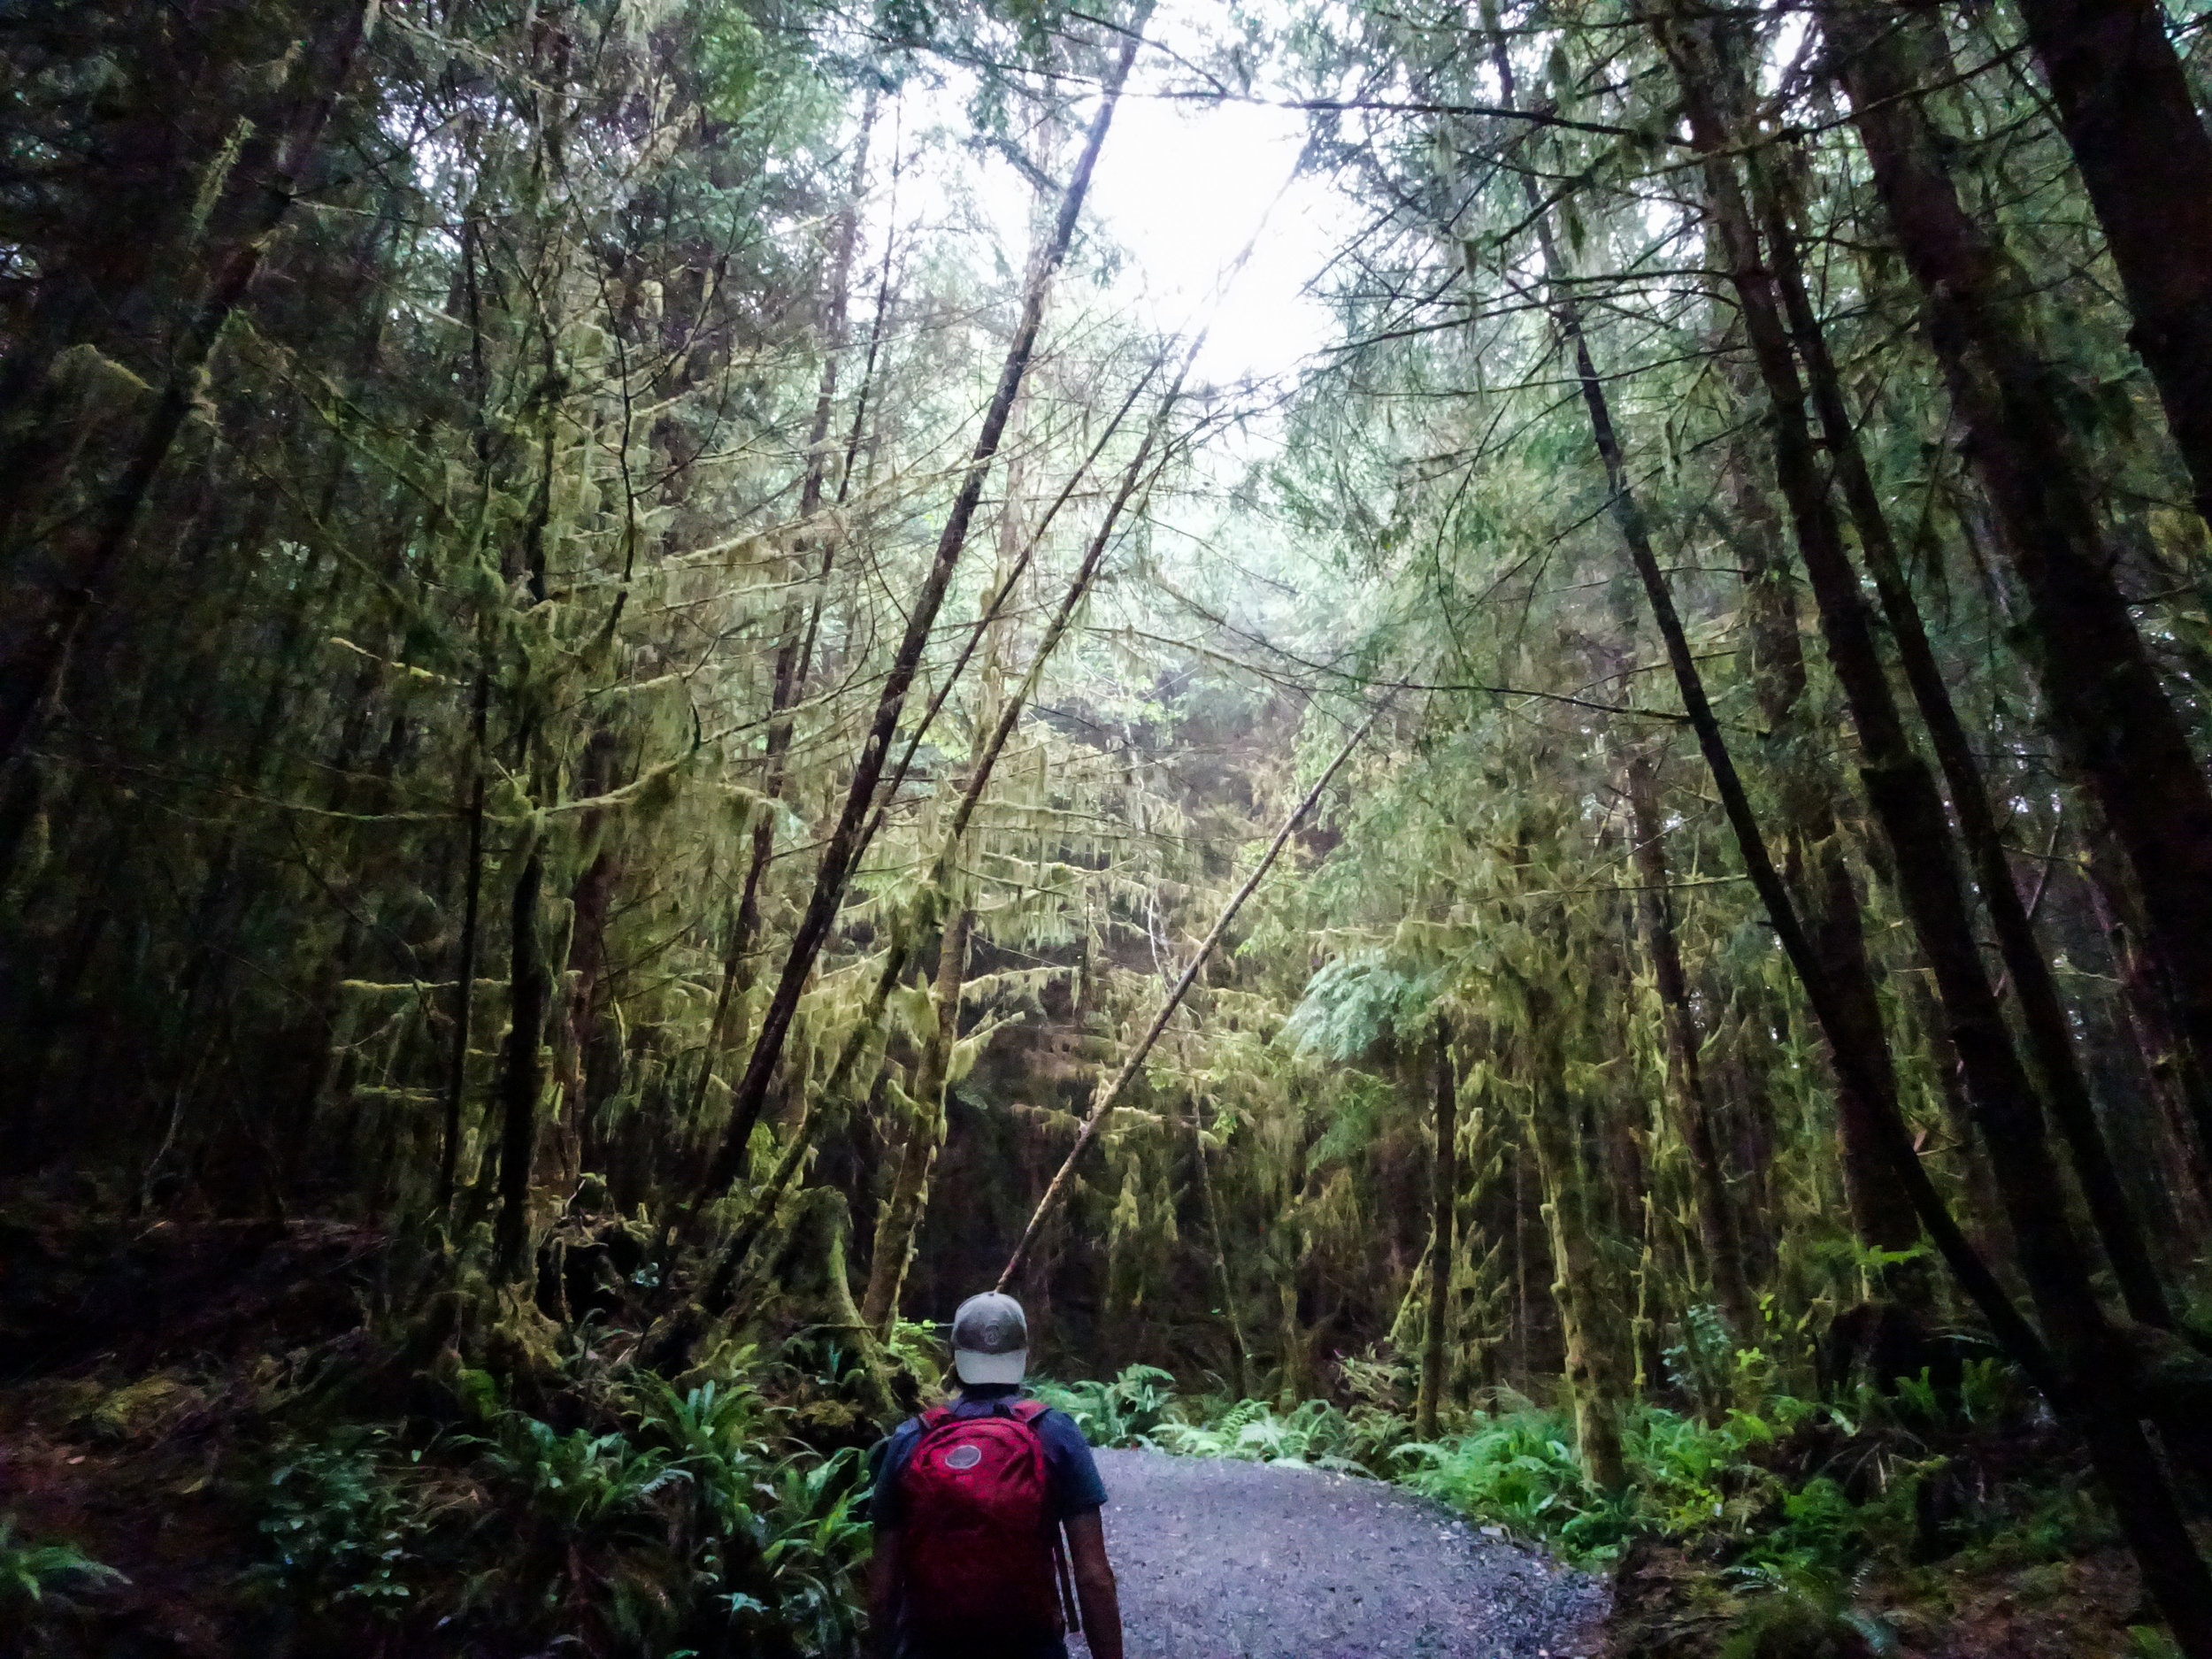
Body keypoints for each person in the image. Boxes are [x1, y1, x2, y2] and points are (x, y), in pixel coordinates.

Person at [866, 1291, 1124, 1659]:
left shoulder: (912, 1437)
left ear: (955, 1359)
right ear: (1023, 1356)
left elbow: (881, 1592)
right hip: (1030, 1647)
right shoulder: (1055, 1432)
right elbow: (1094, 1577)